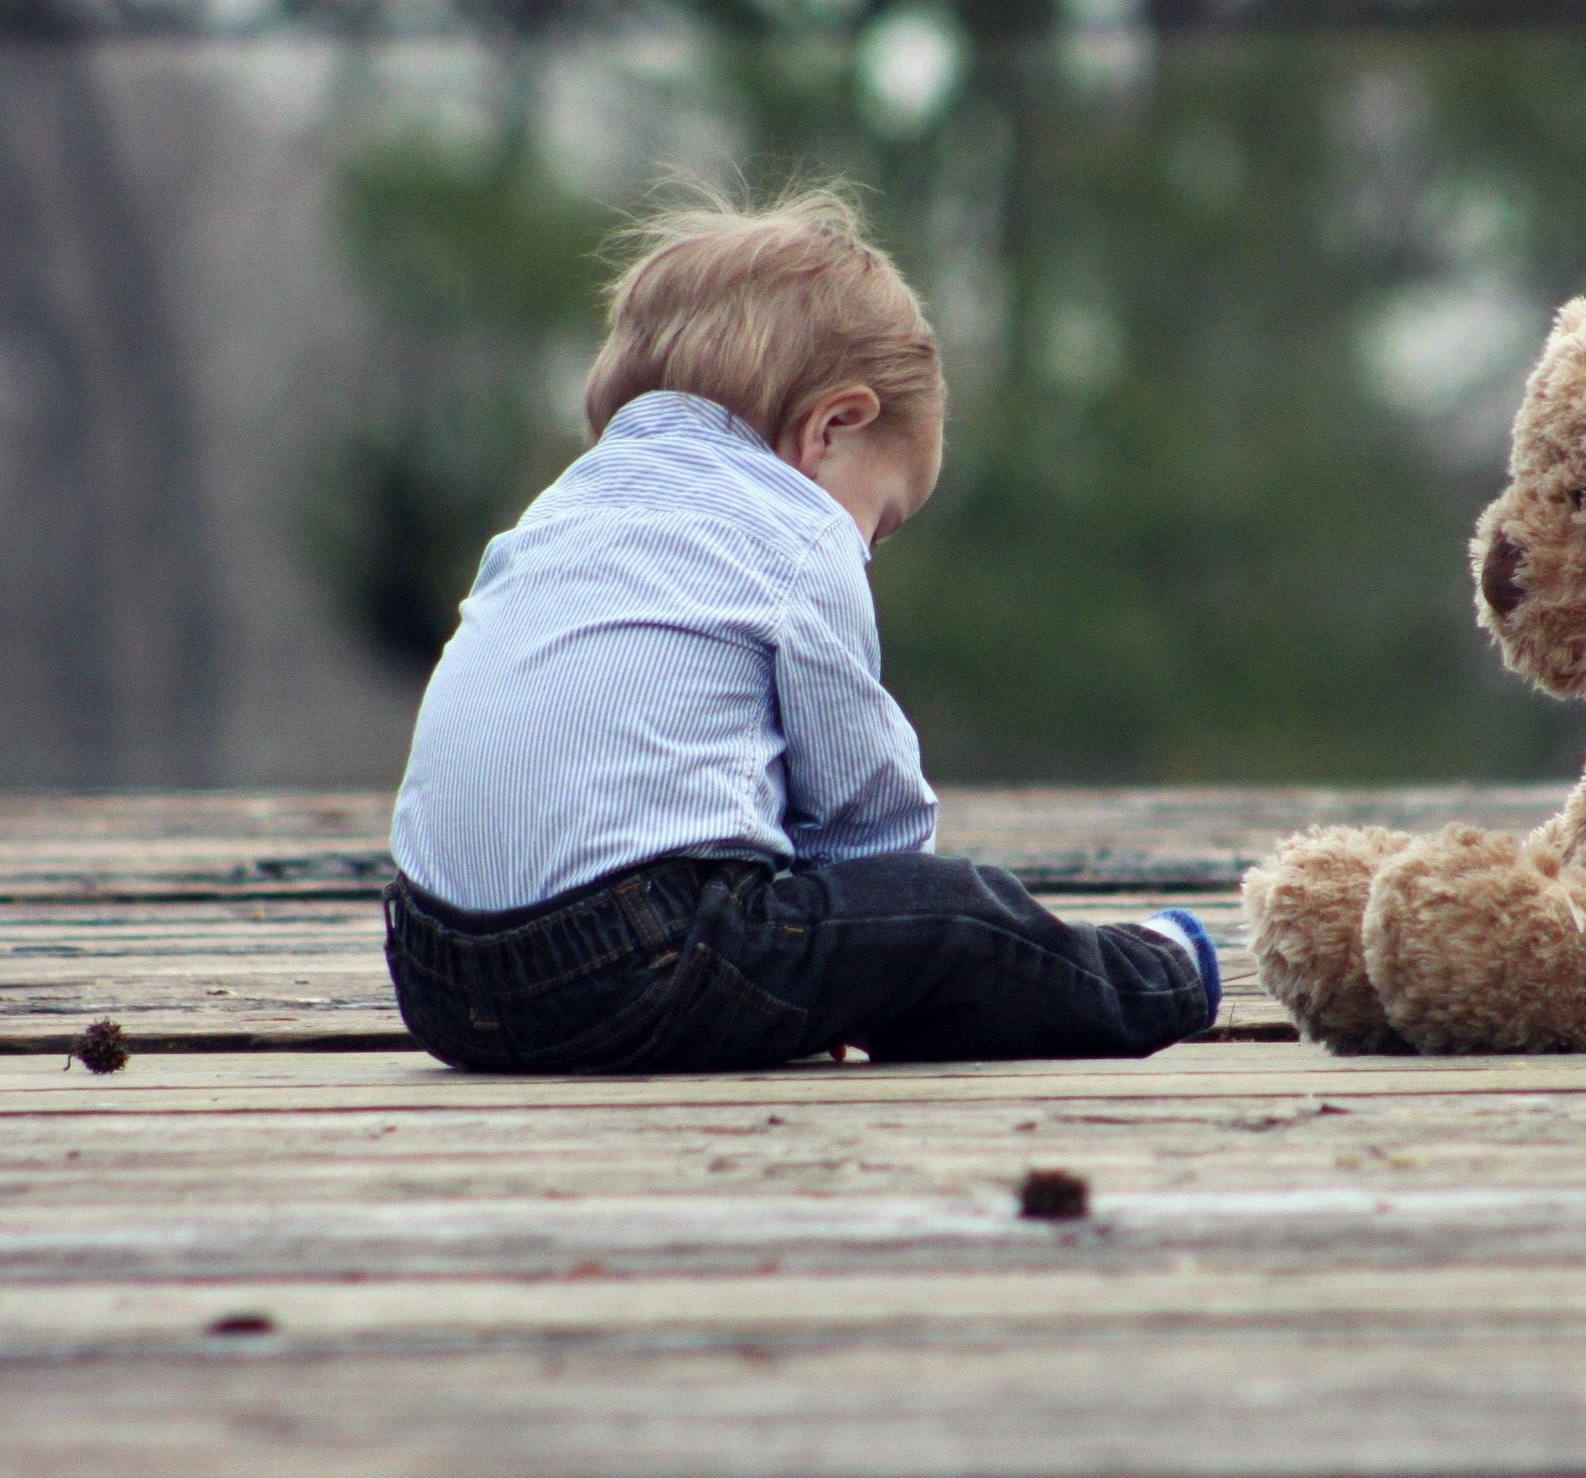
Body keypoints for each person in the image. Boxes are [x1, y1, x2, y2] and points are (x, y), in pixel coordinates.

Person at [381, 183, 1218, 1075]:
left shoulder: (557, 511)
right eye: (882, 521)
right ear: (833, 427)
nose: (867, 548)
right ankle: (1156, 974)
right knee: (961, 917)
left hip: (435, 976)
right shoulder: (795, 529)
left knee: (832, 930)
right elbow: (865, 814)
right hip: (635, 964)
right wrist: (888, 943)